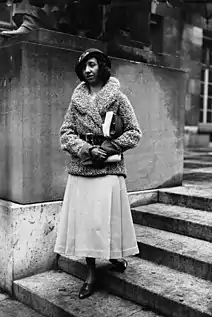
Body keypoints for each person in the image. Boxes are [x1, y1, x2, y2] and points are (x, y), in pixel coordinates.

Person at [54, 48, 142, 299]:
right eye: (84, 67)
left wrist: (109, 147)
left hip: (109, 167)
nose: (87, 70)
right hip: (83, 167)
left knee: (108, 219)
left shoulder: (119, 98)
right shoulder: (76, 100)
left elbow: (134, 132)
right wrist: (86, 148)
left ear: (103, 67)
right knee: (87, 223)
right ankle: (91, 272)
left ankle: (115, 255)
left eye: (92, 65)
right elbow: (65, 133)